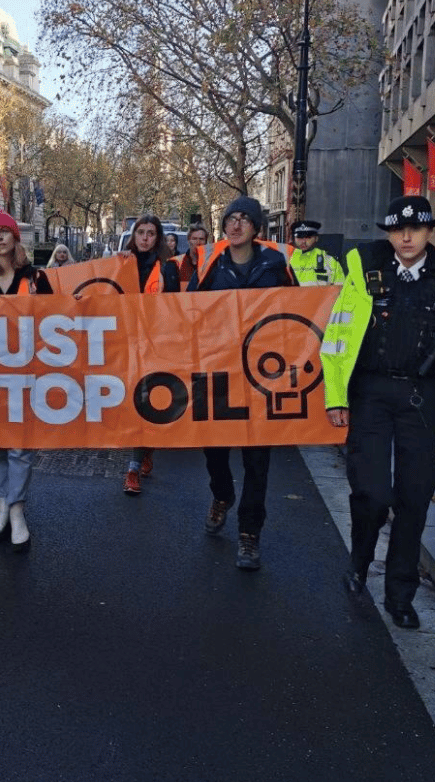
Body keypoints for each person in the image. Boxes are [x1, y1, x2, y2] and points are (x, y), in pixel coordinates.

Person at [321, 195, 435, 629]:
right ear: (388, 232)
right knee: (371, 492)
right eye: (396, 230)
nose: (406, 237)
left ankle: (400, 595)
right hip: (371, 392)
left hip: (422, 397)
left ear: (431, 231)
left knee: (414, 496)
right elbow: (336, 336)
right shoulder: (363, 267)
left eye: (415, 229)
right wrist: (335, 395)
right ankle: (359, 562)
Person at [186, 196, 293, 570]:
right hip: (217, 372)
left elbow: (296, 310)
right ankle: (222, 494)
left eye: (244, 219)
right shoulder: (210, 264)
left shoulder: (276, 264)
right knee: (213, 449)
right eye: (231, 218)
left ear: (256, 228)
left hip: (261, 377)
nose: (235, 225)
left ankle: (250, 533)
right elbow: (187, 311)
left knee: (257, 460)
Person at [0, 209, 53, 552]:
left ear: (15, 238)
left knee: (20, 446)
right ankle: (1, 506)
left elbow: (54, 321)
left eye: (5, 232)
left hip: (26, 372)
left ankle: (16, 510)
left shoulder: (36, 279)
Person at [117, 216, 181, 496]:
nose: (145, 238)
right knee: (129, 403)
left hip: (156, 344)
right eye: (140, 232)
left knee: (144, 403)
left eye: (150, 233)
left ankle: (133, 467)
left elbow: (176, 308)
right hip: (125, 343)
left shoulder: (168, 268)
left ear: (158, 237)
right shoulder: (121, 263)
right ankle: (143, 451)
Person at [289, 220, 344, 285]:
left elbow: (340, 288)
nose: (303, 241)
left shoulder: (330, 261)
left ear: (316, 238)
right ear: (293, 239)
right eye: (299, 237)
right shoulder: (287, 259)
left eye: (308, 237)